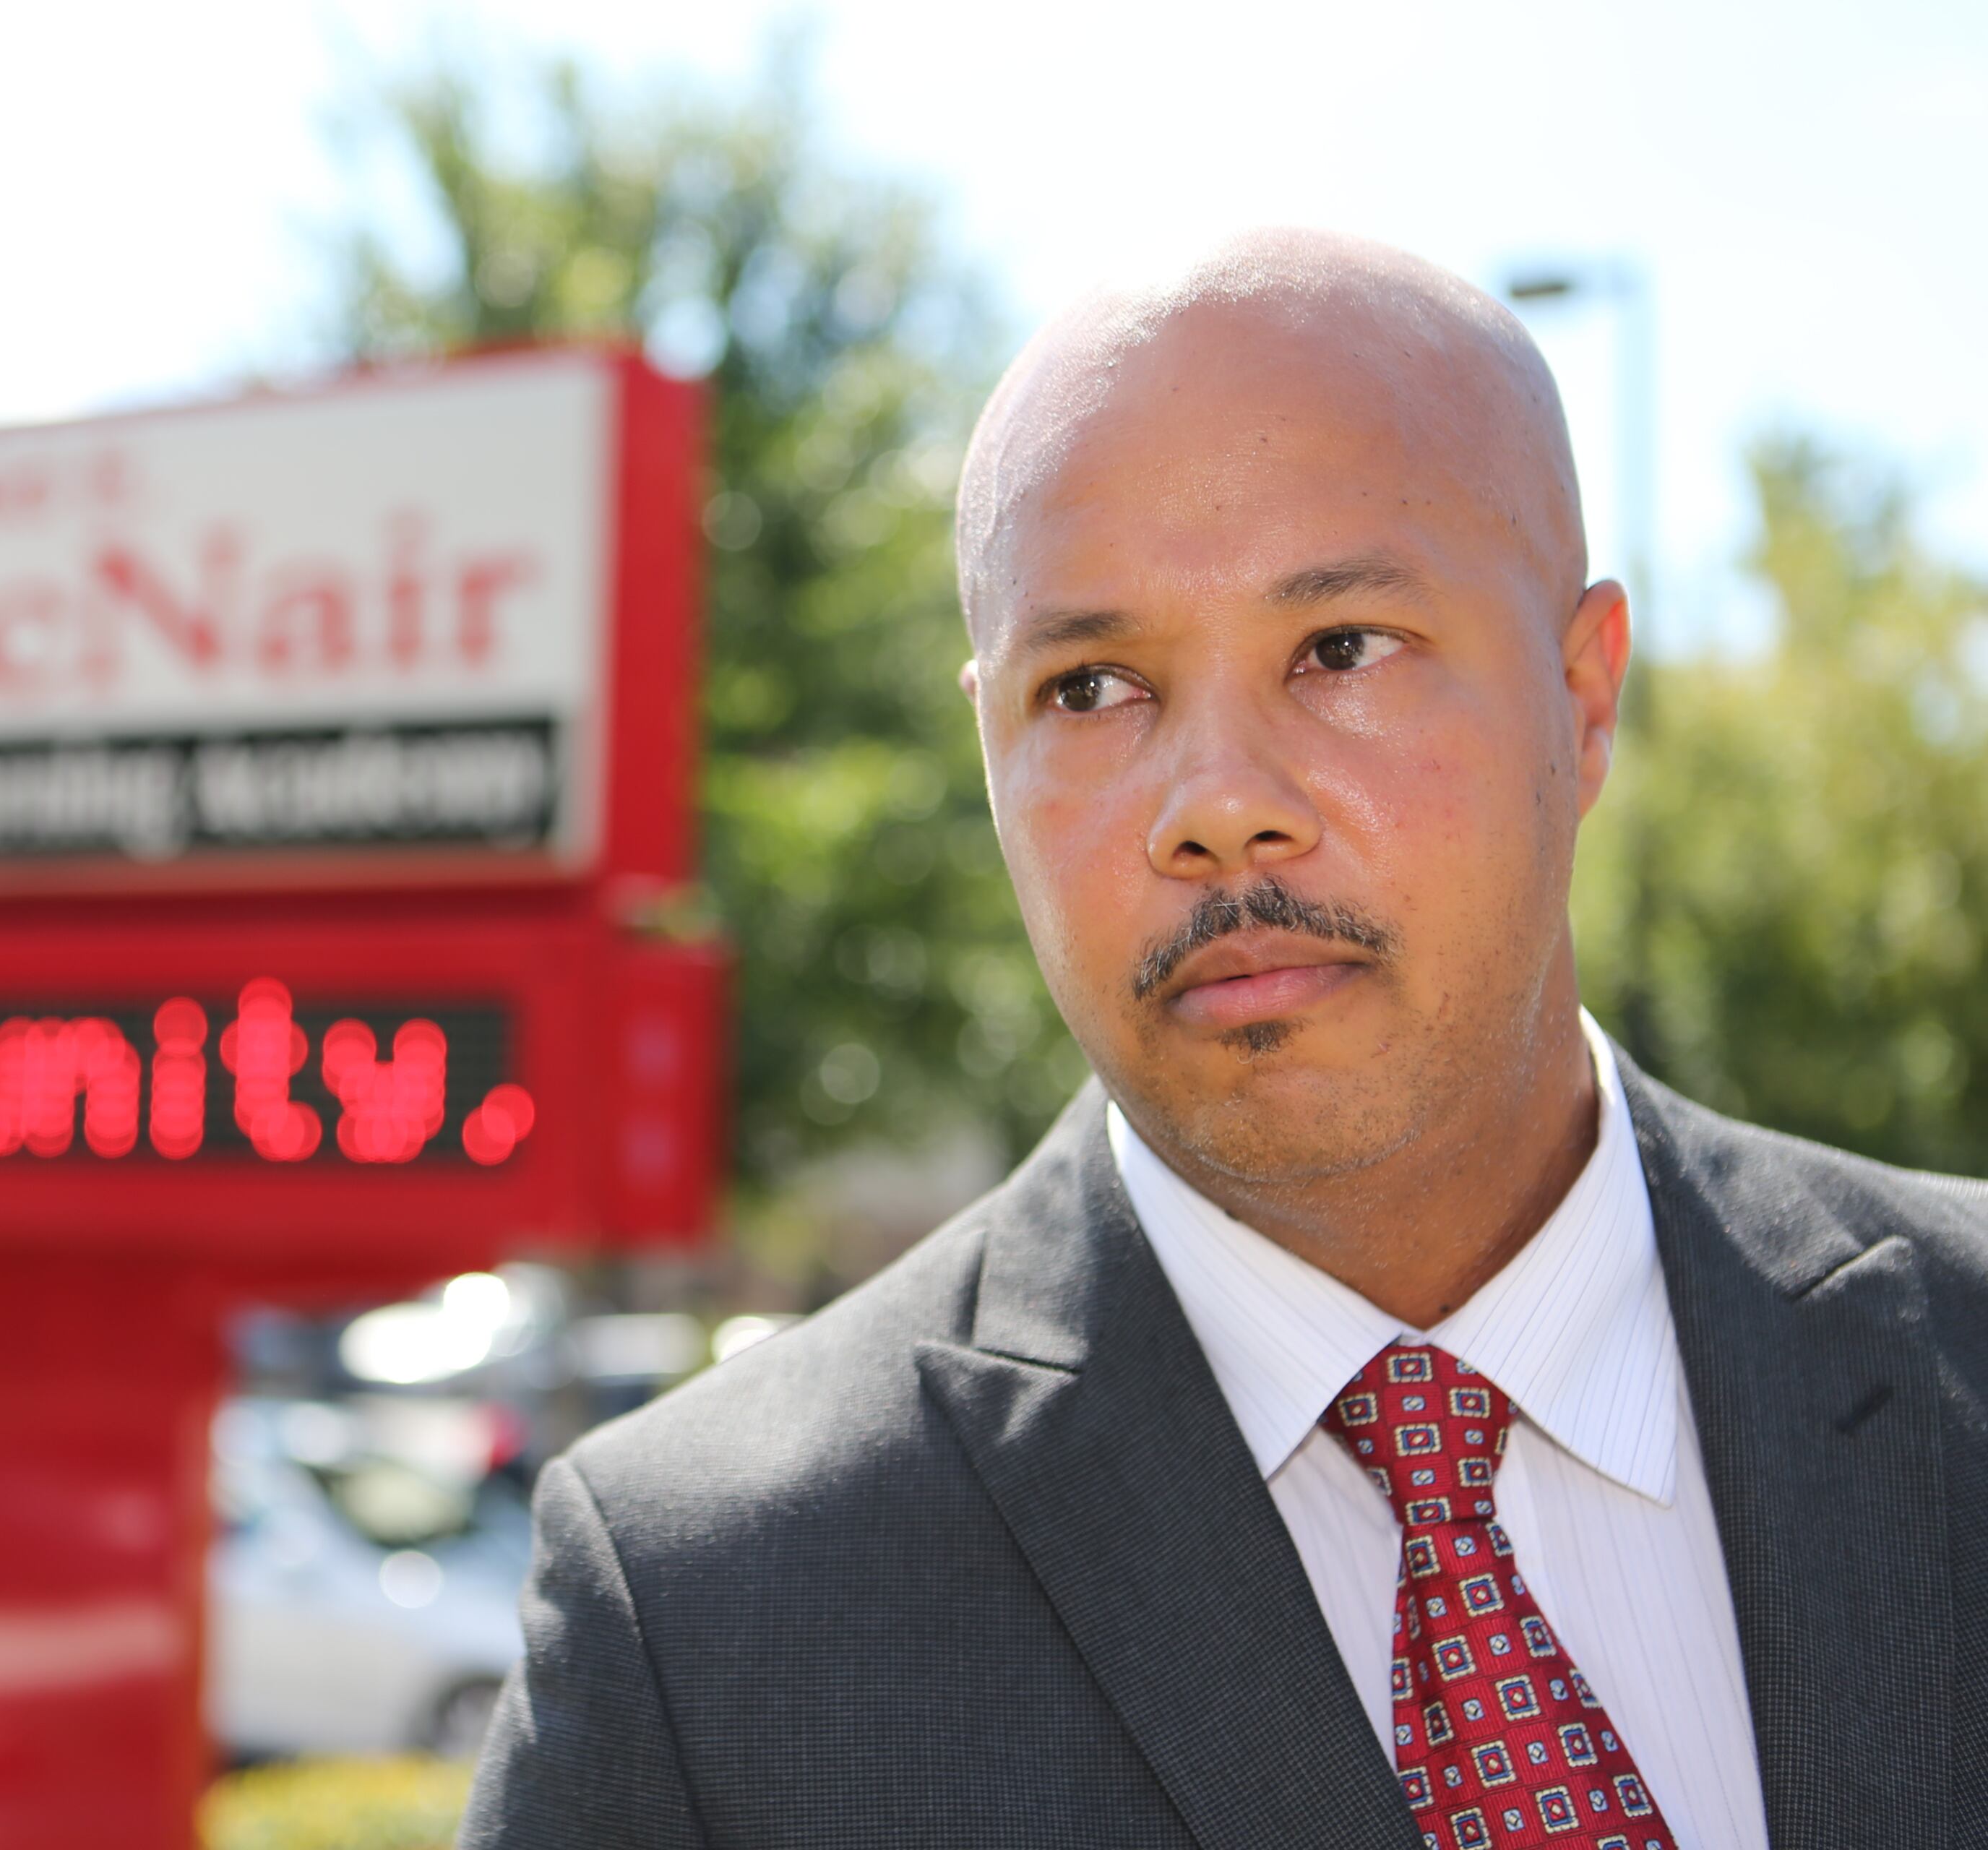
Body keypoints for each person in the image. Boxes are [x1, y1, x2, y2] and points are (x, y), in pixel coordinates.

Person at [459, 229, 1988, 1850]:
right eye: (1091, 687)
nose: (1218, 805)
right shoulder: (702, 1623)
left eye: (1341, 650)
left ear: (1584, 695)